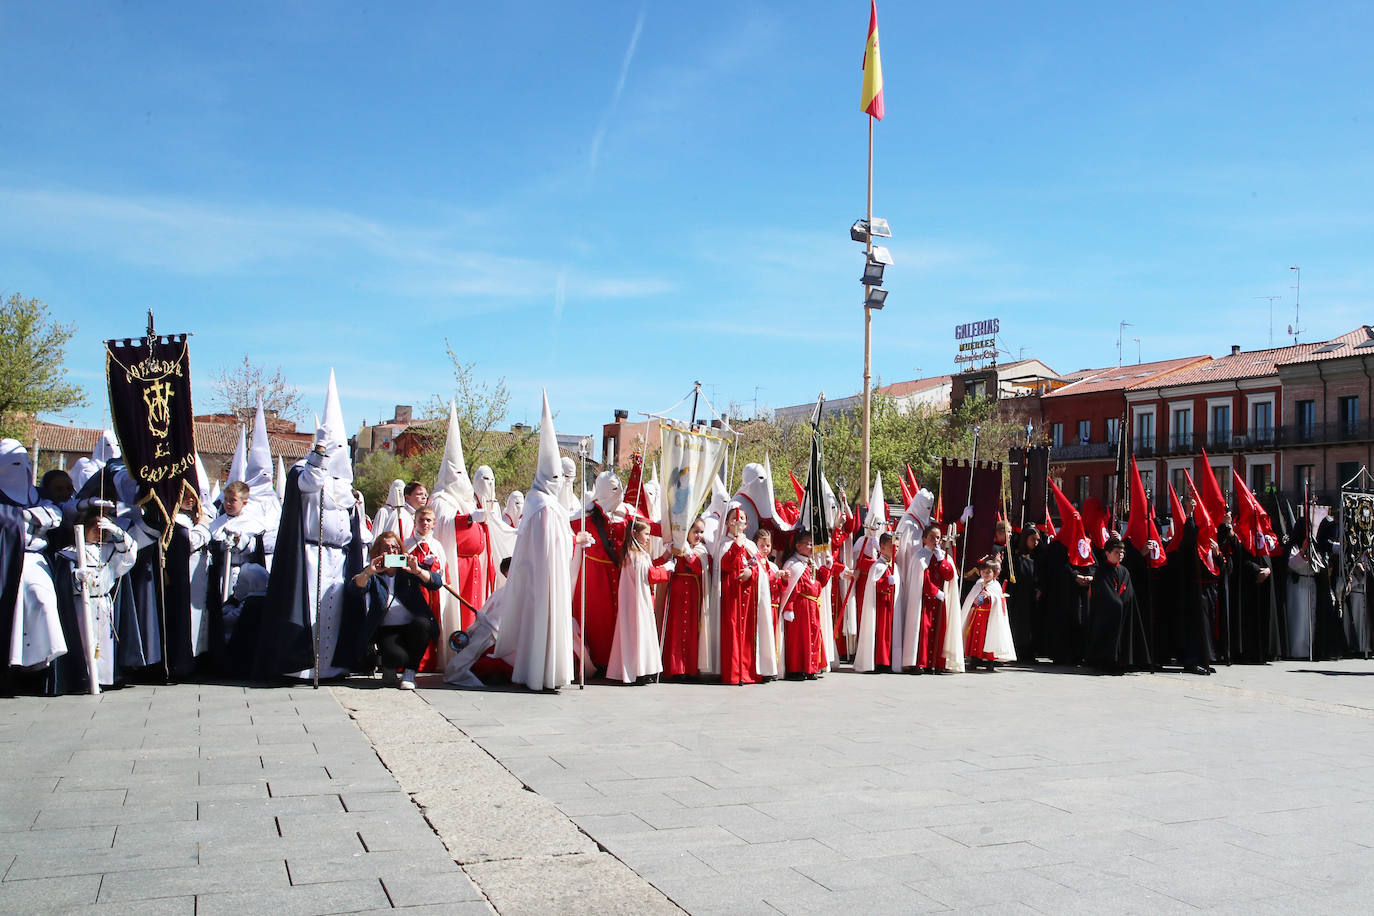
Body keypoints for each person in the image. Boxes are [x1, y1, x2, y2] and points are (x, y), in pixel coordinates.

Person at [255, 369, 368, 681]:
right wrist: (318, 452)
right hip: (311, 553)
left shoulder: (346, 486)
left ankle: (331, 664)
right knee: (310, 609)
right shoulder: (306, 469)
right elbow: (308, 483)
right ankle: (304, 665)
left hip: (339, 556)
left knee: (334, 611)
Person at [487, 391, 575, 691]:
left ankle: (544, 672)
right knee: (542, 624)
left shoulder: (539, 502)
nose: (557, 482)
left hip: (546, 577)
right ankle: (541, 674)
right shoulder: (544, 506)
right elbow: (550, 547)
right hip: (545, 579)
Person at [50, 506, 138, 691]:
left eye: (102, 529)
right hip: (82, 605)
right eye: (95, 528)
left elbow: (128, 558)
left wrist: (118, 533)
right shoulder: (68, 552)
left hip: (103, 603)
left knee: (104, 643)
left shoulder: (108, 550)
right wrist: (76, 577)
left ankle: (106, 678)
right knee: (85, 642)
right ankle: (86, 679)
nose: (99, 533)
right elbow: (63, 582)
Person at [345, 531, 442, 690]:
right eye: (386, 548)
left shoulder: (407, 570)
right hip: (387, 629)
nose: (391, 552)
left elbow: (436, 583)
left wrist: (417, 570)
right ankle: (390, 664)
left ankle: (410, 672)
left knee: (424, 624)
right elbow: (354, 590)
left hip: (411, 626)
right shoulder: (373, 572)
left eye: (395, 548)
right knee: (397, 657)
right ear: (377, 551)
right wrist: (369, 572)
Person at [608, 519, 668, 684]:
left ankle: (639, 669)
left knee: (633, 634)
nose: (649, 537)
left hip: (632, 600)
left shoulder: (631, 553)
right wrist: (668, 570)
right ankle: (639, 671)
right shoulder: (637, 555)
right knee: (639, 633)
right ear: (635, 533)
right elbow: (650, 575)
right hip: (638, 601)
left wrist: (665, 559)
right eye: (646, 533)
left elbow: (650, 568)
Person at [900, 522, 962, 674]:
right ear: (924, 539)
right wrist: (935, 592)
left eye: (938, 538)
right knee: (924, 630)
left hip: (939, 601)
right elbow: (923, 578)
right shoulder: (919, 557)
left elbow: (949, 575)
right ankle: (921, 662)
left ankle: (936, 663)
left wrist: (942, 561)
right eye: (932, 538)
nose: (936, 541)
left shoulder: (942, 556)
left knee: (939, 630)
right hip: (924, 601)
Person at [1084, 536, 1151, 674]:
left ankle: (1122, 661)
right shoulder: (1102, 571)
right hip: (1107, 614)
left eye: (1122, 552)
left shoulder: (1124, 571)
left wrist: (1122, 601)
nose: (1120, 555)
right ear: (1107, 553)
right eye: (1117, 552)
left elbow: (1128, 590)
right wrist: (1116, 603)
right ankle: (1106, 660)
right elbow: (1104, 591)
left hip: (1123, 611)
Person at [778, 530, 838, 679]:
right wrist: (789, 607)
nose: (812, 547)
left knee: (813, 637)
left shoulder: (810, 563)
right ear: (798, 546)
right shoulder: (792, 564)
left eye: (813, 544)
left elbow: (819, 583)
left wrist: (827, 567)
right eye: (809, 544)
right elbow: (791, 588)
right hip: (800, 607)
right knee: (799, 638)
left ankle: (810, 668)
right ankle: (796, 669)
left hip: (812, 606)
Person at [718, 507, 761, 685]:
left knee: (748, 632)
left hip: (748, 595)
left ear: (746, 524)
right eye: (734, 518)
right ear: (727, 523)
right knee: (732, 630)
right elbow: (725, 564)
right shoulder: (724, 544)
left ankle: (748, 671)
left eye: (741, 518)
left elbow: (759, 567)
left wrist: (751, 572)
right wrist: (736, 544)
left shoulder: (750, 545)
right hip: (731, 593)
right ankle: (734, 673)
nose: (738, 521)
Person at [659, 517, 707, 680]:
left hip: (694, 593)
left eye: (701, 532)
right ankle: (675, 668)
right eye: (695, 531)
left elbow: (701, 569)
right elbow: (660, 563)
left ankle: (689, 668)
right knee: (676, 629)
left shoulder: (702, 551)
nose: (698, 535)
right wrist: (669, 552)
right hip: (677, 593)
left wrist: (688, 554)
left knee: (692, 629)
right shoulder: (677, 547)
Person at [406, 506, 448, 671]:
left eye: (428, 520)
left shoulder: (437, 546)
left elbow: (443, 571)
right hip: (413, 592)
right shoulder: (407, 543)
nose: (424, 523)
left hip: (432, 594)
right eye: (421, 520)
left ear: (434, 523)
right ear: (415, 522)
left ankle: (429, 661)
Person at [961, 553, 1016, 671]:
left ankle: (989, 661)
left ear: (994, 574)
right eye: (984, 571)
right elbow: (971, 599)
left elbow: (999, 600)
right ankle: (974, 659)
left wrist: (991, 596)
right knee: (975, 637)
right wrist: (974, 600)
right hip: (976, 616)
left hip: (989, 618)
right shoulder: (978, 584)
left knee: (987, 637)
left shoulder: (995, 586)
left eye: (988, 572)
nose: (985, 574)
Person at [854, 532, 899, 673]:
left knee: (890, 634)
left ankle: (888, 660)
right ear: (882, 547)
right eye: (891, 547)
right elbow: (875, 586)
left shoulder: (895, 566)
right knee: (881, 634)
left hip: (891, 605)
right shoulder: (878, 566)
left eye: (896, 547)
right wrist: (886, 582)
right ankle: (880, 662)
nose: (895, 550)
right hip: (879, 606)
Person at [1008, 527, 1041, 661]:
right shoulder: (1015, 559)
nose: (1036, 543)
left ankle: (1028, 652)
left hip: (1030, 597)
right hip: (1017, 598)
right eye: (1033, 539)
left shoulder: (1034, 559)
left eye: (1038, 540)